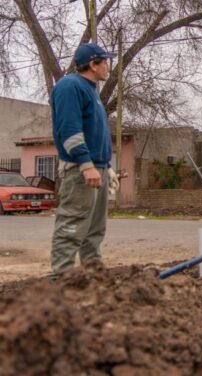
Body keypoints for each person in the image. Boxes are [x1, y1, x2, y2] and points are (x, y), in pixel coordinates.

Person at [50, 43, 120, 276]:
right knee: (72, 225)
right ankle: (62, 279)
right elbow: (69, 129)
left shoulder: (91, 91)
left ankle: (92, 275)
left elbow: (95, 134)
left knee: (94, 229)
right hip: (80, 171)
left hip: (96, 168)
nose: (108, 66)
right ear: (93, 64)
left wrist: (106, 167)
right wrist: (86, 164)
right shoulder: (70, 86)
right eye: (105, 61)